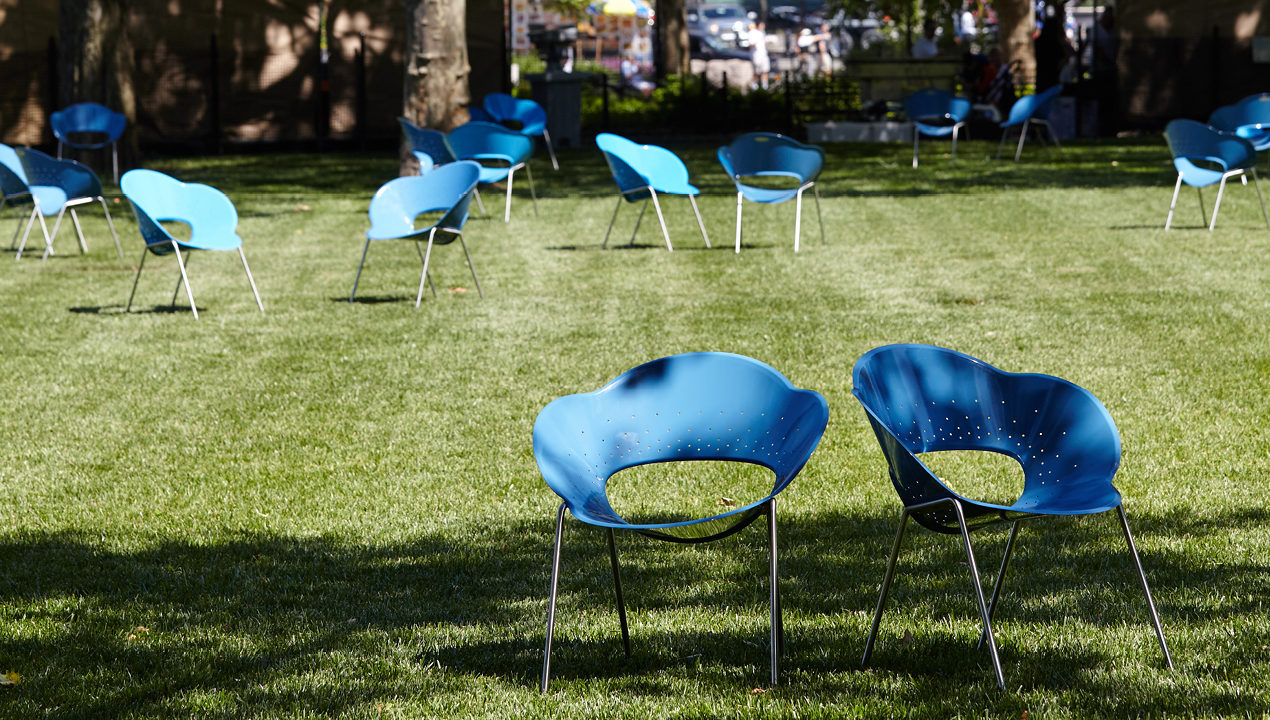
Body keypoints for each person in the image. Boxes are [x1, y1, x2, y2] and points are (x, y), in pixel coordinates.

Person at [748, 21, 770, 89]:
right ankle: (755, 87)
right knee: (756, 72)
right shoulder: (752, 33)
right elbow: (751, 44)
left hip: (764, 55)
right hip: (756, 55)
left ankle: (765, 87)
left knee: (765, 70)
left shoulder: (762, 33)